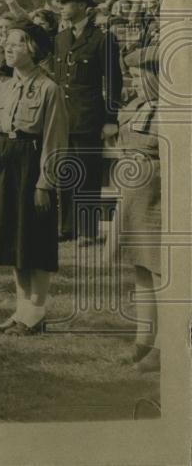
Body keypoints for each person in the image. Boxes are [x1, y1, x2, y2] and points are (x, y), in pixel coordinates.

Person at [0, 20, 68, 336]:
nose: (8, 46)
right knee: (13, 240)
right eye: (7, 42)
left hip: (31, 167)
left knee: (35, 241)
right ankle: (21, 311)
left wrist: (45, 183)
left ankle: (36, 311)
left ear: (33, 49)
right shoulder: (5, 86)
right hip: (5, 165)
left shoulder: (49, 89)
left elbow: (53, 141)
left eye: (16, 42)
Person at [50, 0, 123, 244]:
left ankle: (89, 230)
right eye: (61, 2)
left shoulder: (102, 39)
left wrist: (110, 118)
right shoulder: (60, 38)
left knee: (87, 174)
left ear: (82, 6)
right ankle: (67, 226)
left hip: (89, 117)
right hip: (63, 117)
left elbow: (113, 82)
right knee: (65, 172)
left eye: (67, 2)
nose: (62, 6)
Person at [116, 43, 161, 372]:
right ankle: (143, 340)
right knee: (142, 271)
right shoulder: (136, 107)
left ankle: (164, 346)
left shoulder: (173, 112)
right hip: (136, 199)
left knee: (162, 275)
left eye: (136, 76)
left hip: (160, 202)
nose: (130, 83)